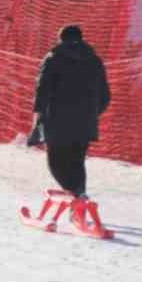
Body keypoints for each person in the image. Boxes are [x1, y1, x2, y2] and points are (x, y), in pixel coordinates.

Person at [32, 24, 111, 200]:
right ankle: (79, 196)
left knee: (56, 162)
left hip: (57, 121)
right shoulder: (95, 61)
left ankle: (76, 196)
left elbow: (42, 90)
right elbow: (105, 96)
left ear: (61, 39)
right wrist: (90, 113)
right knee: (77, 162)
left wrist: (39, 115)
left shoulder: (53, 58)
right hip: (85, 123)